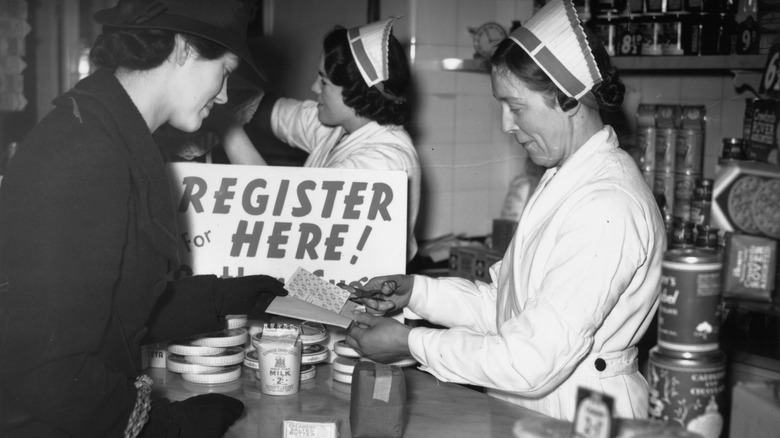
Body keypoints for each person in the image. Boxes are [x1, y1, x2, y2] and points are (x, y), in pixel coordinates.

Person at [345, 0, 666, 421]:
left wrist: (410, 343)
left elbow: (529, 359)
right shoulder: (564, 179)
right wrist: (418, 292)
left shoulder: (608, 205)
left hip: (585, 414)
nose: (505, 125)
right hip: (540, 411)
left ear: (567, 99)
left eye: (515, 107)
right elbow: (508, 310)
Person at [0, 1, 288, 437]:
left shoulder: (111, 133)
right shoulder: (86, 154)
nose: (226, 95)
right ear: (183, 49)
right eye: (225, 71)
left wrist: (225, 297)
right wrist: (171, 426)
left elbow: (113, 308)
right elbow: (49, 371)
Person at [215, 18, 421, 261]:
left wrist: (224, 126)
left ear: (355, 91)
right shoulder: (345, 129)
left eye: (323, 81)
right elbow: (279, 113)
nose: (314, 87)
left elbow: (274, 213)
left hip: (354, 296)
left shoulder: (379, 163)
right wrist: (214, 94)